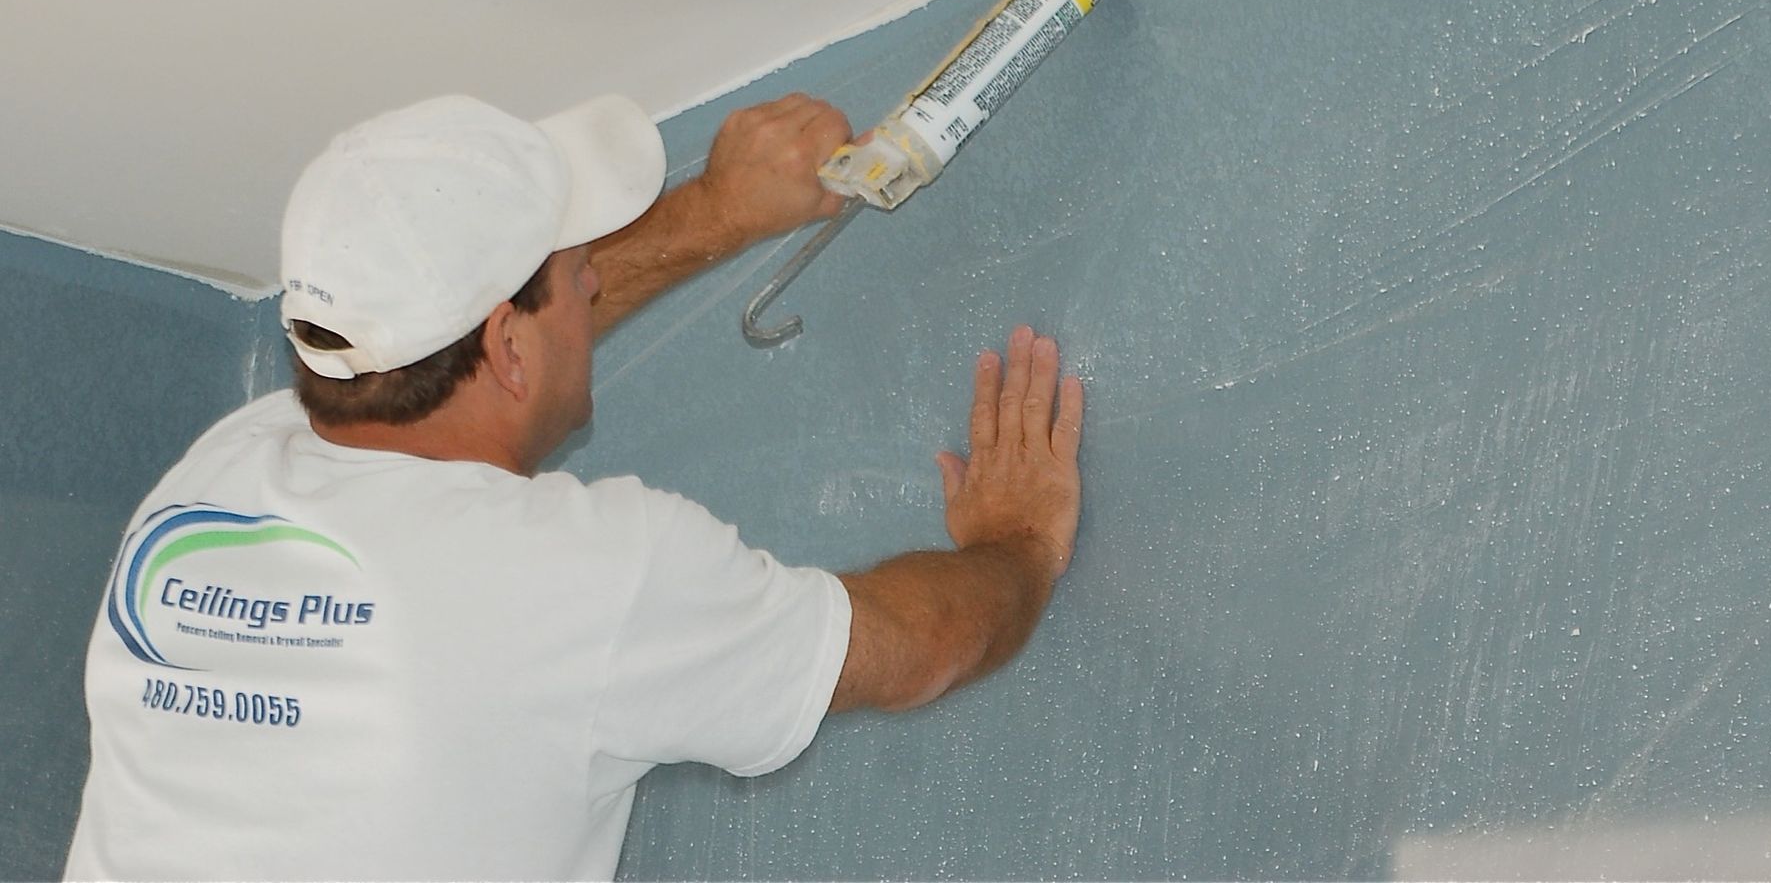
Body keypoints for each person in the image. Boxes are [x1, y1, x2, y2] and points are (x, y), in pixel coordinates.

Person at [65, 90, 1084, 881]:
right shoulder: (590, 575)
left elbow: (455, 357)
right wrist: (1018, 543)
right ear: (510, 342)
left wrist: (718, 213)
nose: (597, 276)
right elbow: (913, 651)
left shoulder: (224, 473)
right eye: (573, 268)